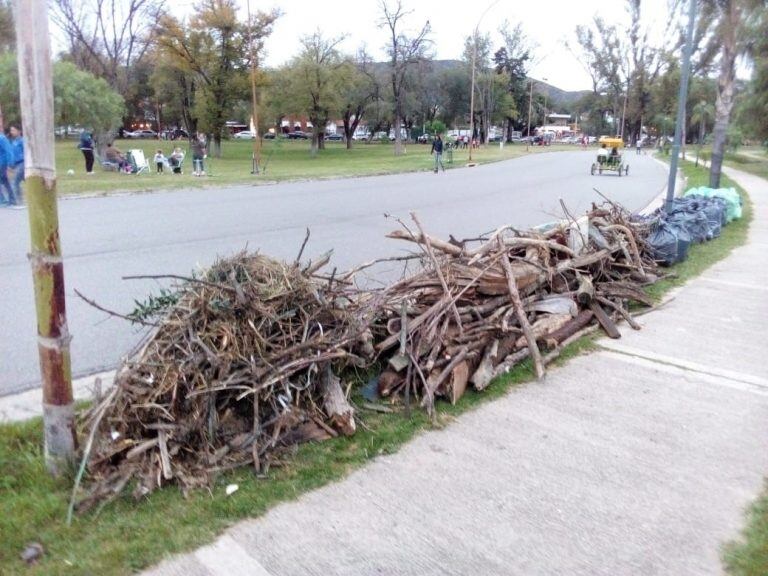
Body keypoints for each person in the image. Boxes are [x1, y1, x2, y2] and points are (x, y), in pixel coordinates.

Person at [9, 125, 24, 205]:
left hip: (22, 163)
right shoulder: (13, 141)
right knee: (23, 181)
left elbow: (26, 152)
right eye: (11, 130)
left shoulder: (22, 141)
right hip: (16, 165)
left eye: (13, 130)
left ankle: (18, 201)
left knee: (14, 182)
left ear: (19, 131)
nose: (12, 132)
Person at [0, 130, 16, 205]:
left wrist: (10, 164)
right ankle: (2, 199)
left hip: (3, 163)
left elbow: (9, 151)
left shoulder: (2, 138)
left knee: (5, 181)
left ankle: (12, 199)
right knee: (3, 181)